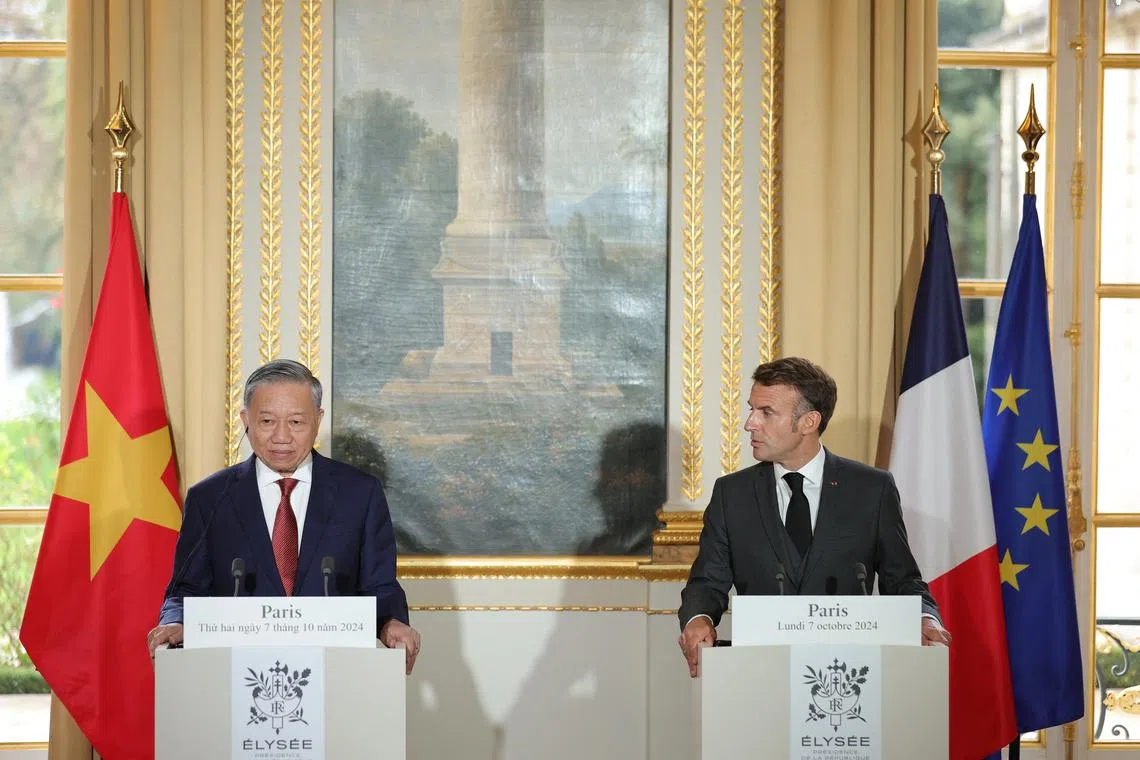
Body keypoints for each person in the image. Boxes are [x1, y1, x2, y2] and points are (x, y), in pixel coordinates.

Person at [678, 357, 949, 677]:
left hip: (848, 677)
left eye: (766, 413)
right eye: (752, 409)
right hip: (760, 676)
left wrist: (924, 617)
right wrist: (698, 619)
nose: (750, 423)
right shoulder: (731, 494)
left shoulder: (871, 489)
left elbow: (902, 580)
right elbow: (708, 581)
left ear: (808, 422)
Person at [147, 359, 421, 674]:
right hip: (235, 674)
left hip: (336, 672)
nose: (281, 437)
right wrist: (174, 621)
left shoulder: (359, 494)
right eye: (266, 421)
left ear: (318, 421)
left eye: (295, 422)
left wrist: (392, 623)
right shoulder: (209, 498)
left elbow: (380, 585)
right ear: (245, 420)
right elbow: (185, 590)